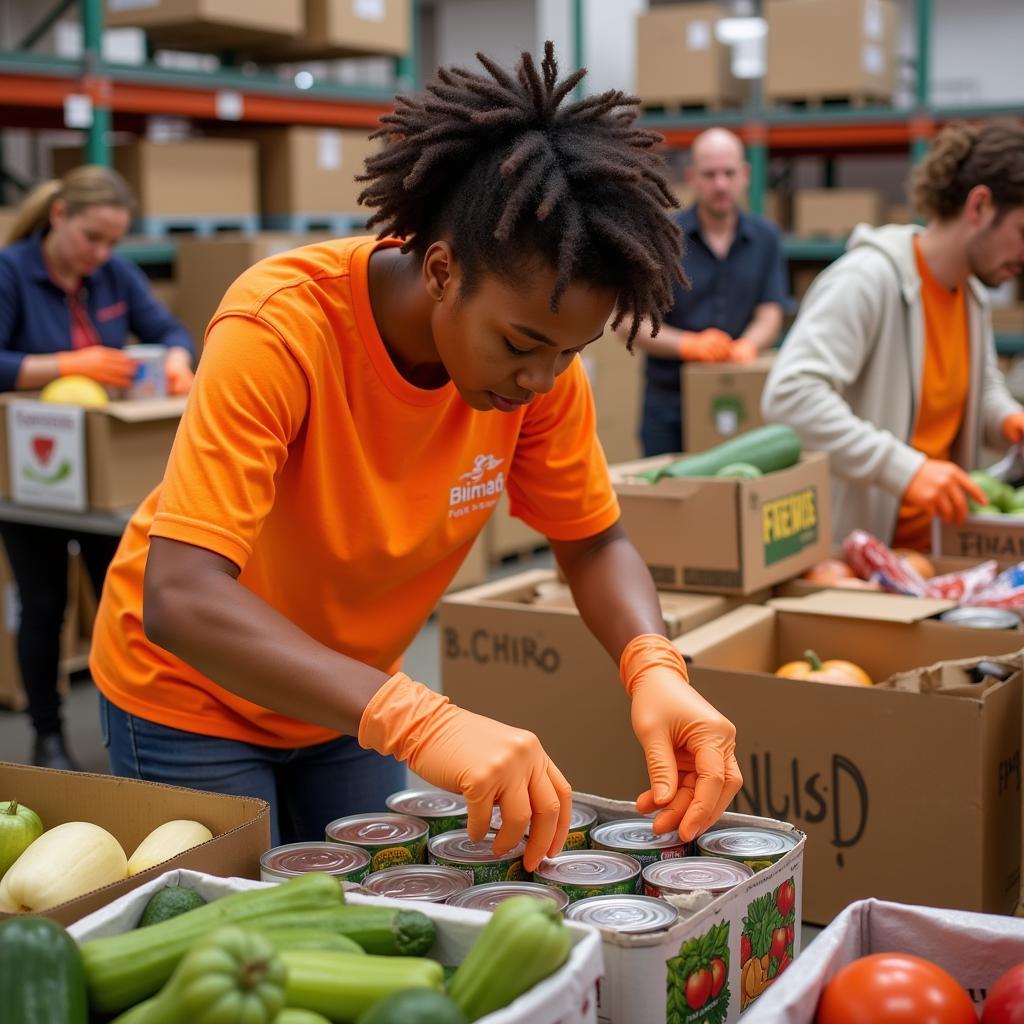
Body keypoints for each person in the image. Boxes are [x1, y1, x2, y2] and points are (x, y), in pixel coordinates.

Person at [89, 44, 742, 868]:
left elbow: (593, 540)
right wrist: (423, 721)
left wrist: (655, 666)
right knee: (232, 952)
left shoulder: (538, 380)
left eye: (569, 355)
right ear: (441, 269)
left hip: (347, 702)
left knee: (376, 925)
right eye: (520, 344)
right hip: (191, 699)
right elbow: (181, 598)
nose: (540, 379)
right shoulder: (281, 328)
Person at [0, 164, 195, 770]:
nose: (102, 252)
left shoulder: (113, 275)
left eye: (113, 241)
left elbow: (169, 330)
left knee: (126, 603)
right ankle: (47, 735)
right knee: (44, 604)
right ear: (59, 215)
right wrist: (67, 365)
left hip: (107, 480)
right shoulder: (10, 273)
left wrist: (177, 361)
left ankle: (138, 728)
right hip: (35, 476)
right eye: (93, 237)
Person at [762, 122, 1024, 551]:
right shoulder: (868, 280)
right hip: (862, 558)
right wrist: (904, 469)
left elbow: (980, 384)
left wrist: (1008, 421)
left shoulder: (972, 296)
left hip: (939, 552)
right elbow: (790, 395)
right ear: (979, 206)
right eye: (1023, 232)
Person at [629, 127, 787, 456]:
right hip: (669, 403)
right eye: (709, 174)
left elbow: (770, 312)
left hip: (739, 393)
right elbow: (632, 322)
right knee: (669, 497)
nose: (720, 184)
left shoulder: (766, 238)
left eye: (729, 173)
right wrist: (688, 345)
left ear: (744, 175)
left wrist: (748, 345)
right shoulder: (663, 237)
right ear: (692, 177)